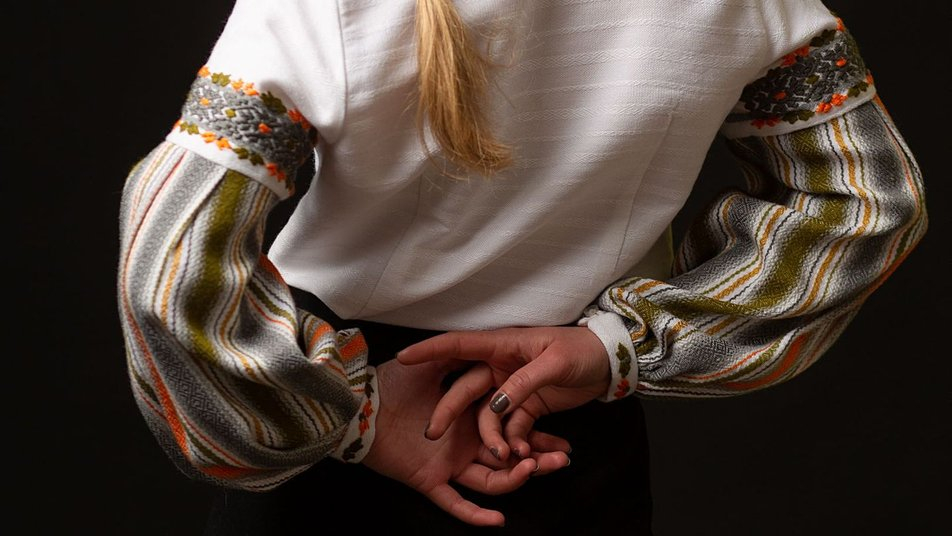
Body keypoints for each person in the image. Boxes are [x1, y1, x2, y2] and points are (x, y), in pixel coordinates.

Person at [116, 1, 927, 534]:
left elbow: (168, 263)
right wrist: (617, 347)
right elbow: (868, 202)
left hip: (339, 436)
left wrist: (356, 415)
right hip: (564, 427)